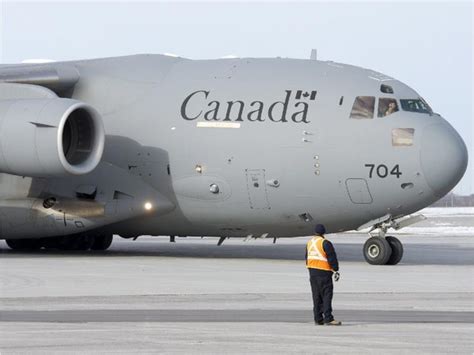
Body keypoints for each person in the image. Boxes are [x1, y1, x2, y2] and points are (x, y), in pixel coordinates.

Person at [305, 224, 341, 326]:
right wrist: (336, 269)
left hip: (312, 273)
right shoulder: (325, 243)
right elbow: (331, 257)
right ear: (323, 232)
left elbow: (307, 257)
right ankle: (328, 318)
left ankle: (318, 318)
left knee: (316, 297)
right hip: (324, 273)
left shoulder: (309, 243)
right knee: (326, 296)